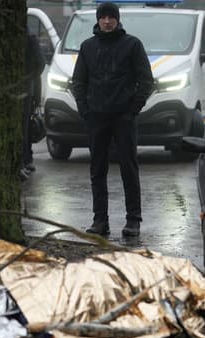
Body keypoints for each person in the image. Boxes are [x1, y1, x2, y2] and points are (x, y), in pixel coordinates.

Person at [69, 2, 154, 237]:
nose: (107, 21)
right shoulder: (88, 47)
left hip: (123, 117)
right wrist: (85, 110)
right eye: (103, 17)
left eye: (111, 17)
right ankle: (100, 221)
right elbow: (79, 82)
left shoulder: (132, 45)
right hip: (96, 117)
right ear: (98, 20)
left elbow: (146, 80)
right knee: (97, 170)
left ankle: (133, 221)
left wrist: (132, 109)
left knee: (129, 168)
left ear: (118, 20)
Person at [21, 32, 46, 180]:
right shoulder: (30, 37)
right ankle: (26, 160)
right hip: (26, 89)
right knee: (24, 126)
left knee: (22, 126)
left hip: (21, 88)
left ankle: (24, 160)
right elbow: (40, 63)